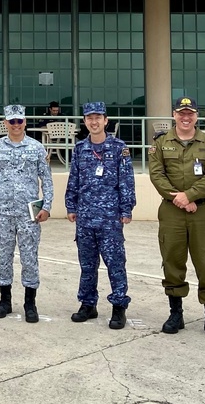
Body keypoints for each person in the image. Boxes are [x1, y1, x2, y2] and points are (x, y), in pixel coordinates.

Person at [149, 96, 205, 339]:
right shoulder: (161, 143)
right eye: (181, 113)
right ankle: (176, 313)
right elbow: (156, 174)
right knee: (172, 261)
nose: (186, 117)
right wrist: (180, 199)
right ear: (174, 114)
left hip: (202, 211)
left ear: (196, 116)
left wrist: (191, 196)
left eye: (190, 113)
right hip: (172, 210)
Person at [65, 101, 136, 329]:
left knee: (115, 263)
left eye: (98, 118)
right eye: (89, 118)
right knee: (87, 264)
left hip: (110, 218)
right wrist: (71, 205)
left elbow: (126, 181)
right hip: (85, 216)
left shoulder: (119, 148)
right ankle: (88, 304)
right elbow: (74, 179)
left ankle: (118, 307)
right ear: (84, 122)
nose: (93, 122)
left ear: (105, 120)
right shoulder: (80, 149)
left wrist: (126, 208)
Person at [0, 104, 54, 323]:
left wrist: (47, 206)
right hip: (3, 213)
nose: (15, 125)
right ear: (5, 123)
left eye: (19, 121)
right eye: (11, 121)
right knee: (4, 258)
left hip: (29, 213)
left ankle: (29, 303)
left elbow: (47, 180)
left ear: (25, 122)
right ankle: (5, 301)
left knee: (29, 258)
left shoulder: (36, 147)